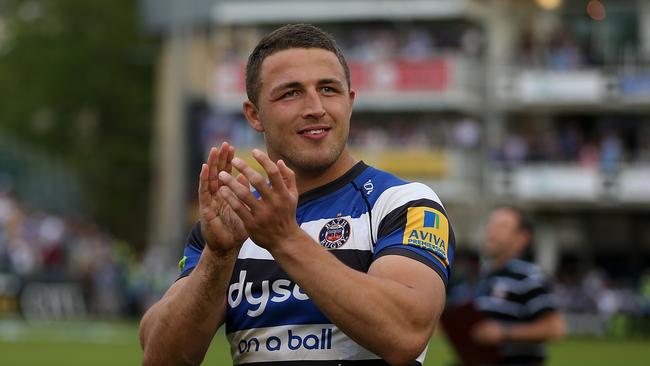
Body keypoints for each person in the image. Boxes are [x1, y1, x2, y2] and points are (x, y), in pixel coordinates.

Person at [139, 24, 455, 366]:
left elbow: (405, 333)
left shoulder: (401, 203)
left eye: (329, 89)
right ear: (254, 115)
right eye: (291, 93)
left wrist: (285, 239)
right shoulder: (230, 222)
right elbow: (161, 358)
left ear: (349, 103)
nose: (315, 107)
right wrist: (217, 257)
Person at [470, 206, 565, 365]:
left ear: (522, 238)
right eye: (490, 225)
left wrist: (504, 333)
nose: (491, 232)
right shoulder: (487, 276)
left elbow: (555, 329)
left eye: (502, 226)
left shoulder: (529, 277)